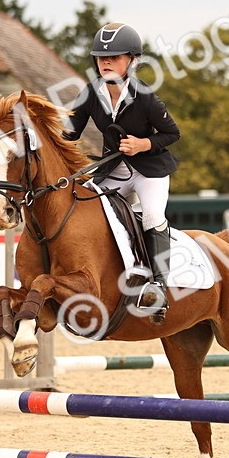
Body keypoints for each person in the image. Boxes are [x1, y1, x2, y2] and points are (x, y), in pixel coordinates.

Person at [63, 22, 181, 323]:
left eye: (113, 57)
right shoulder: (90, 93)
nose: (105, 62)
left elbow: (171, 133)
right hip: (113, 169)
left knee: (153, 217)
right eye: (101, 57)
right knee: (90, 213)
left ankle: (158, 286)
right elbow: (69, 134)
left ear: (131, 60)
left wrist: (144, 144)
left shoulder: (145, 97)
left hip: (148, 172)